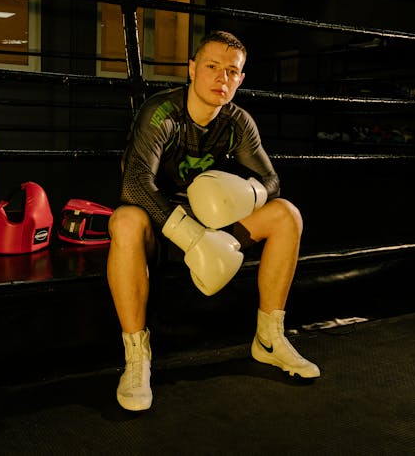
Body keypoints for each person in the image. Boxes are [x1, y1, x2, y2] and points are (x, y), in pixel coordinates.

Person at [107, 31, 320, 412]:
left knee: (287, 214)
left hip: (211, 232)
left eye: (232, 71)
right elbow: (134, 183)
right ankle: (137, 357)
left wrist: (248, 195)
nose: (222, 78)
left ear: (240, 79)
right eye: (212, 67)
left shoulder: (238, 123)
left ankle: (269, 339)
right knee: (124, 221)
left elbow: (271, 181)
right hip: (162, 231)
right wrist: (191, 238)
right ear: (192, 69)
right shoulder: (162, 113)